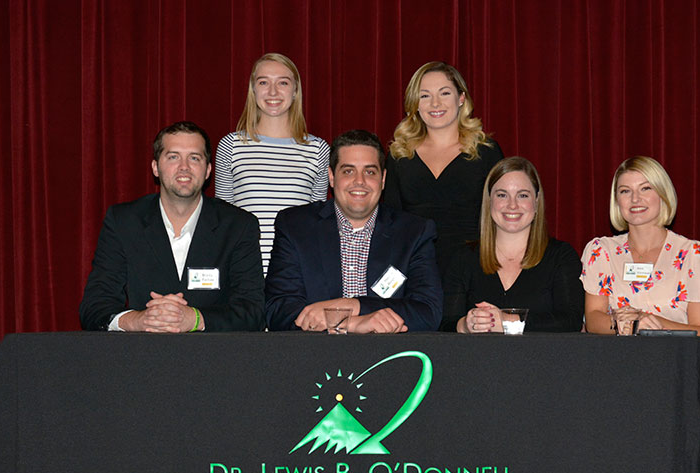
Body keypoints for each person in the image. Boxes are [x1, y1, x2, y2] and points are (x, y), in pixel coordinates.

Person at [80, 121, 265, 332]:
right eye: (173, 157)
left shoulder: (238, 225)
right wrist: (138, 320)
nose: (184, 167)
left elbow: (254, 311)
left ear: (208, 170)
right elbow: (94, 307)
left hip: (215, 358)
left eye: (194, 158)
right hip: (140, 357)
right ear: (155, 167)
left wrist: (196, 319)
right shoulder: (123, 221)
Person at [266, 130, 443, 333]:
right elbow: (278, 311)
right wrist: (354, 324)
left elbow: (428, 313)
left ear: (383, 179)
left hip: (388, 358)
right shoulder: (295, 226)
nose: (359, 181)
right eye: (348, 171)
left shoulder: (414, 232)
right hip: (313, 357)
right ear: (331, 177)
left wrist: (355, 306)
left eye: (370, 172)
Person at [580, 156, 700, 337]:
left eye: (645, 188)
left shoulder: (694, 254)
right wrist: (626, 324)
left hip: (673, 360)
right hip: (614, 360)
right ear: (616, 201)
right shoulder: (600, 250)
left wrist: (644, 321)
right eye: (625, 191)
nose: (635, 199)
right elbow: (593, 320)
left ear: (663, 194)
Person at [384, 61, 504, 275]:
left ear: (461, 99)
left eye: (444, 93)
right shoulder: (399, 155)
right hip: (414, 270)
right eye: (425, 95)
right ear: (415, 104)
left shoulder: (486, 152)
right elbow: (390, 222)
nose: (435, 103)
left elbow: (500, 217)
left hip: (474, 270)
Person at [215, 53, 329, 275]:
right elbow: (222, 219)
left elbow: (316, 223)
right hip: (243, 272)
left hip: (295, 274)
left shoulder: (318, 149)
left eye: (283, 83)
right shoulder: (231, 145)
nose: (273, 92)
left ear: (295, 91)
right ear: (253, 90)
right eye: (264, 82)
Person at [441, 157, 584, 333]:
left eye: (523, 195)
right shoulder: (464, 258)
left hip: (543, 359)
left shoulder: (561, 255)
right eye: (502, 195)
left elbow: (572, 321)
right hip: (479, 359)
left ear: (537, 202)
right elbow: (444, 325)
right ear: (489, 201)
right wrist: (465, 324)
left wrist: (508, 322)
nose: (512, 205)